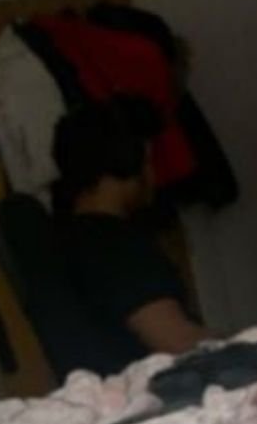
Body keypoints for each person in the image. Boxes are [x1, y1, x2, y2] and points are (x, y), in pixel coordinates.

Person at [52, 95, 209, 366]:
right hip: (172, 382)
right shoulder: (114, 248)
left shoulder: (69, 239)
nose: (154, 174)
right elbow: (177, 341)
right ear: (129, 162)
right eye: (148, 161)